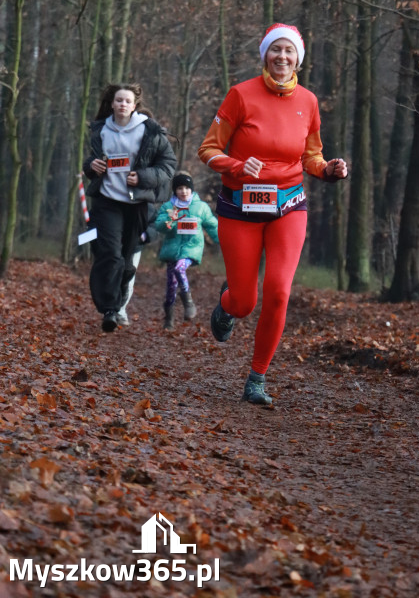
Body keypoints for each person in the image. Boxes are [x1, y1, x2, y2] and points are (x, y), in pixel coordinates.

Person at [198, 23, 348, 405]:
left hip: (289, 205)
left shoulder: (309, 101)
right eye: (275, 50)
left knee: (279, 292)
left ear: (298, 58)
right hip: (240, 206)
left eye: (289, 51)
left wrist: (327, 168)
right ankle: (228, 304)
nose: (282, 57)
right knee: (246, 300)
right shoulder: (241, 95)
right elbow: (208, 150)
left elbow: (311, 155)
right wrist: (234, 165)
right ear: (265, 54)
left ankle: (257, 379)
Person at [83, 83, 176, 332]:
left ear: (134, 106)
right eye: (118, 100)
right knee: (109, 254)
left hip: (136, 205)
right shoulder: (100, 131)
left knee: (126, 261)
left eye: (127, 101)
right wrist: (92, 166)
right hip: (107, 201)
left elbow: (168, 166)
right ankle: (110, 310)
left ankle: (120, 295)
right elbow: (89, 163)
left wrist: (143, 177)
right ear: (112, 104)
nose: (123, 104)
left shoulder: (150, 131)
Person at [155, 172, 219, 330]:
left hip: (191, 249)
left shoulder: (201, 207)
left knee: (179, 268)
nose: (183, 191)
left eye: (186, 188)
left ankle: (189, 302)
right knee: (171, 287)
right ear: (175, 190)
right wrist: (168, 222)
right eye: (180, 188)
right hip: (172, 250)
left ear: (192, 189)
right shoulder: (168, 207)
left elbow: (212, 226)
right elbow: (159, 224)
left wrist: (224, 241)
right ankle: (169, 319)